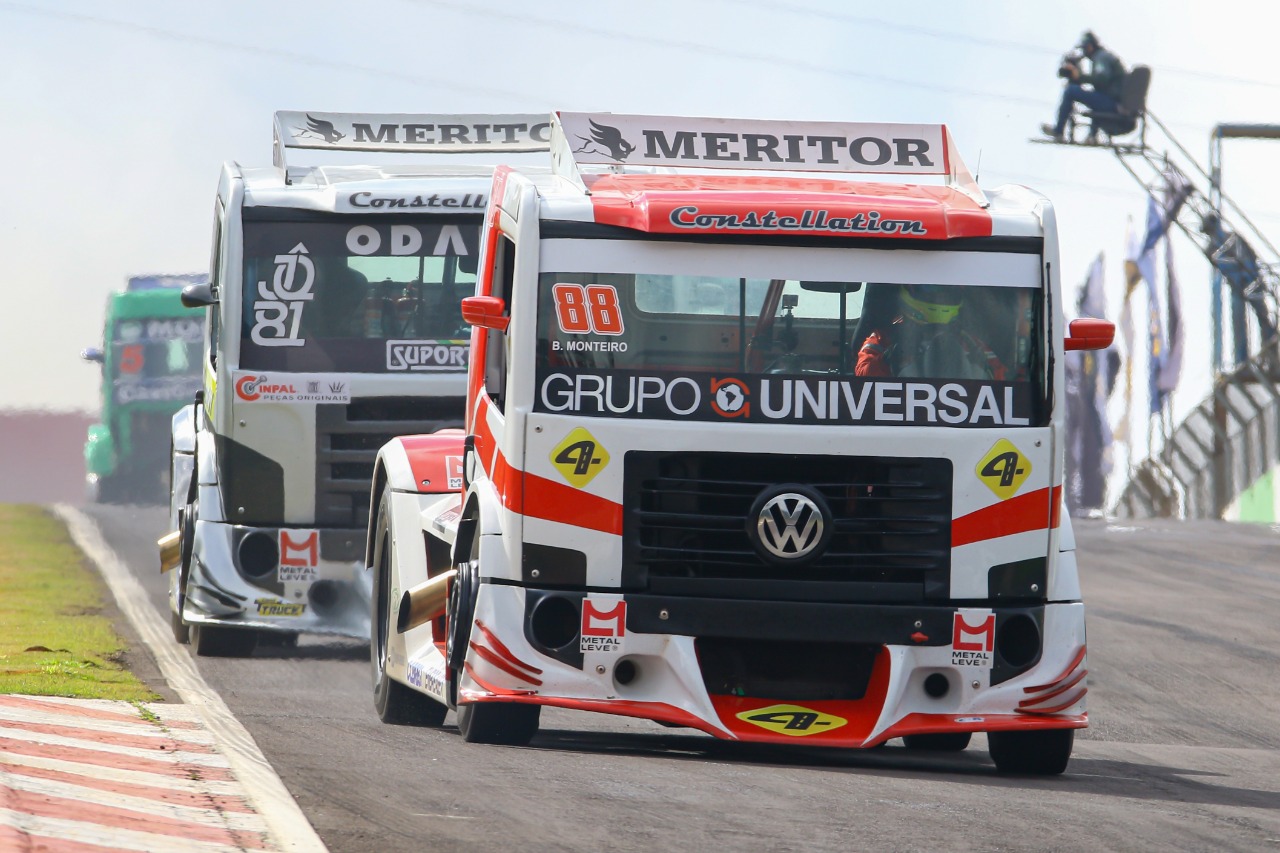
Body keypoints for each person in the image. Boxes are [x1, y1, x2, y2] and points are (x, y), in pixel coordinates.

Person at [855, 284, 1007, 380]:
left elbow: (1001, 378)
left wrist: (979, 363)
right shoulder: (884, 336)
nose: (939, 296)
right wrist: (888, 359)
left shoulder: (969, 340)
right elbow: (861, 373)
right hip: (901, 407)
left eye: (947, 291)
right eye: (930, 288)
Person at [1041, 31, 1126, 143]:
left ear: (1090, 46)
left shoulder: (1101, 57)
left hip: (1112, 103)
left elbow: (1102, 79)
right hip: (1113, 102)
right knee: (1095, 96)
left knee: (1071, 91)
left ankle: (1058, 131)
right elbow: (1100, 86)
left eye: (1084, 49)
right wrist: (1080, 78)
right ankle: (1092, 136)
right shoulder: (1103, 57)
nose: (1083, 52)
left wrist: (1079, 76)